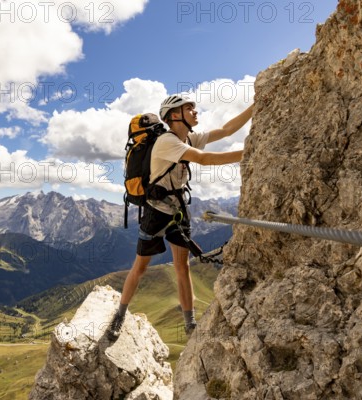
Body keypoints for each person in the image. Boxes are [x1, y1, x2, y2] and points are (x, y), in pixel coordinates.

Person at [108, 95, 254, 341]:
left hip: (176, 209)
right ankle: (119, 316)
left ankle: (190, 324)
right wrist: (251, 152)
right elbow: (204, 159)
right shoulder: (166, 142)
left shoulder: (188, 138)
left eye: (194, 108)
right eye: (189, 108)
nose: (195, 112)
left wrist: (255, 105)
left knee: (182, 267)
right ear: (173, 116)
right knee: (141, 267)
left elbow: (227, 130)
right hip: (156, 212)